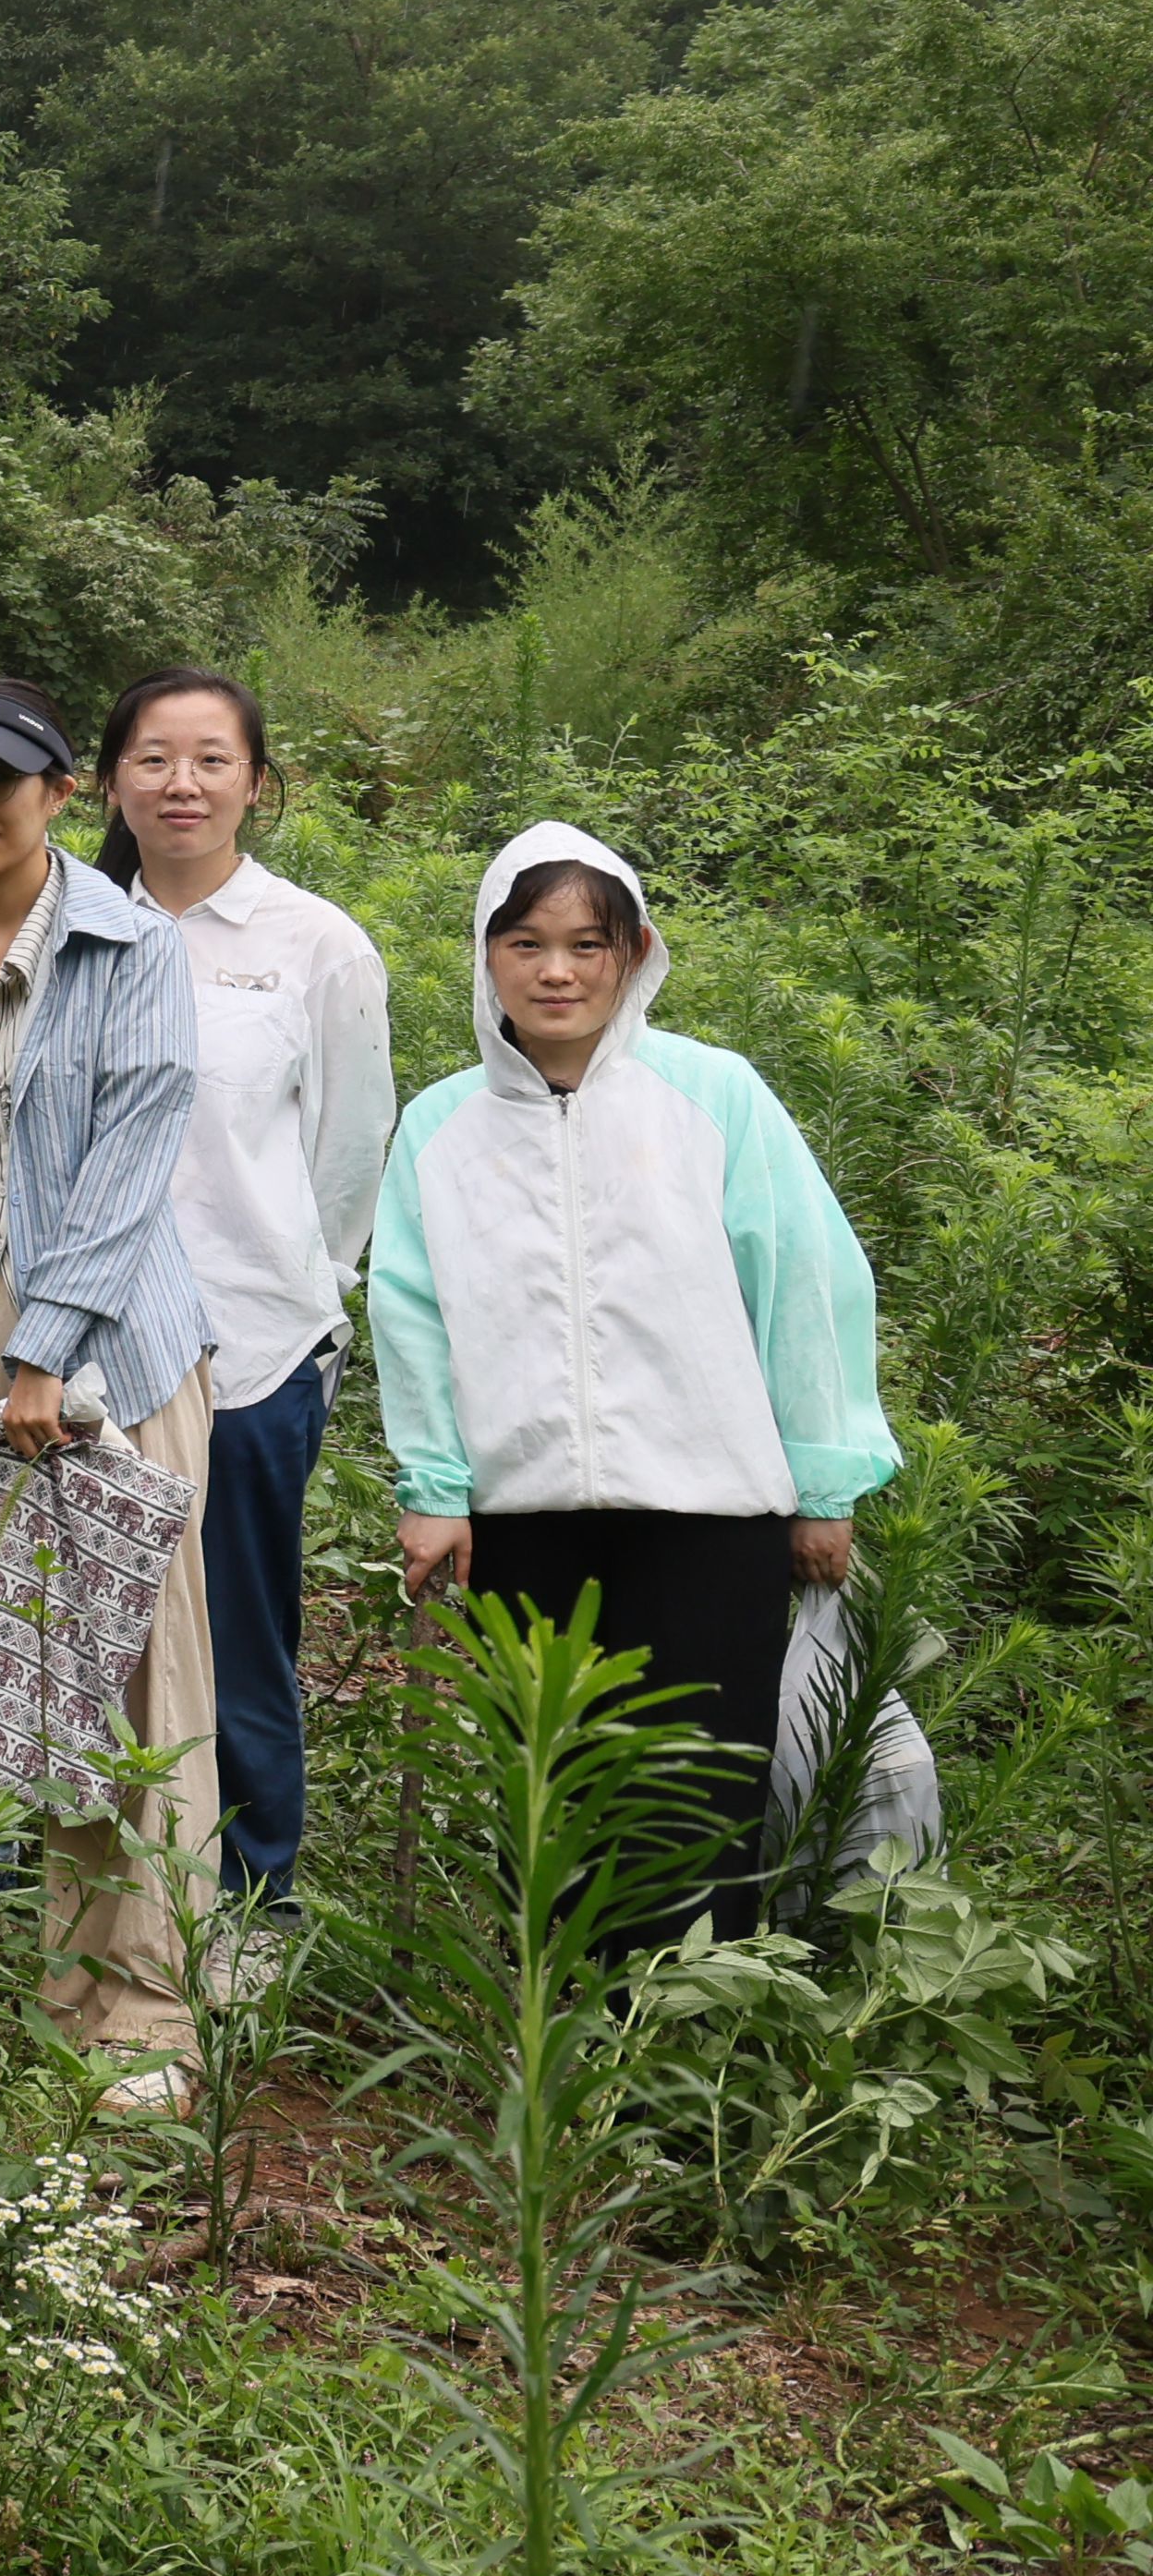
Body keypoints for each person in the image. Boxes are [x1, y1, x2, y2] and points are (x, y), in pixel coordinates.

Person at [371, 826, 890, 1949]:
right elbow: (410, 1316)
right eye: (526, 942)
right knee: (557, 1790)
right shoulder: (440, 1126)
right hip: (522, 1516)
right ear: (486, 954)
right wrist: (433, 1483)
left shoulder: (714, 1095)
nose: (556, 970)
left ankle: (685, 2063)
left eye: (585, 944)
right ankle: (569, 2057)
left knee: (702, 1794)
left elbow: (803, 1282)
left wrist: (825, 1481)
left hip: (710, 1514)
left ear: (635, 953)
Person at [0, 678, 218, 2105]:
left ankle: (134, 2018)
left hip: (115, 1354)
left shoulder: (135, 947)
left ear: (59, 790)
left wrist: (43, 1358)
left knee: (132, 1688)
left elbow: (133, 1164)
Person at [99, 670, 393, 1912]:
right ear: (109, 780)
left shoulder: (315, 945)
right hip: (83, 1346)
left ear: (258, 785)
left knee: (240, 1631)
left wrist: (304, 1303)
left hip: (249, 1351)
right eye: (154, 758)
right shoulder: (65, 924)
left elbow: (348, 1153)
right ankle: (78, 1891)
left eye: (212, 760)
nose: (182, 784)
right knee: (78, 1626)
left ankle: (249, 1895)